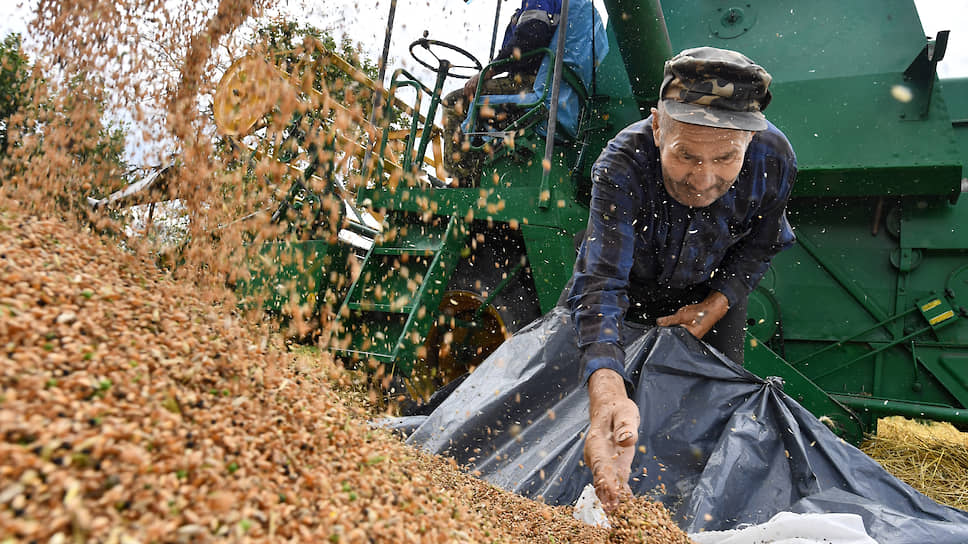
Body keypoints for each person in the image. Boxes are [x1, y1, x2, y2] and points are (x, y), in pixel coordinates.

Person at [567, 47, 798, 511]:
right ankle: (573, 492)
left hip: (706, 290)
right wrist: (608, 390)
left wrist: (715, 304)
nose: (703, 178)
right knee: (582, 392)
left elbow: (762, 245)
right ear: (657, 127)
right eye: (685, 155)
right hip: (625, 285)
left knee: (714, 398)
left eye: (726, 158)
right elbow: (602, 280)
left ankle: (688, 506)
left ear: (750, 143)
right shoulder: (622, 163)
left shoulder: (775, 159)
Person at [440, 0, 562, 185]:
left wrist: (489, 71)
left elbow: (530, 37)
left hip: (528, 83)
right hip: (544, 82)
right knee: (479, 109)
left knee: (453, 101)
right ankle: (478, 170)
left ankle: (462, 177)